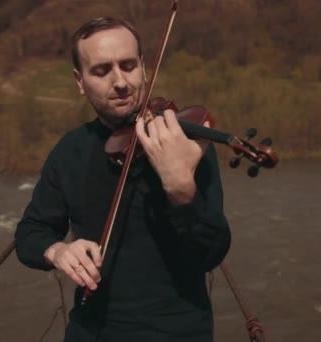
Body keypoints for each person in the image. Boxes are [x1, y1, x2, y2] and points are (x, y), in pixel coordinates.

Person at [15, 17, 231, 342]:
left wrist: (181, 189)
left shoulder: (183, 141)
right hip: (92, 332)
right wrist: (57, 251)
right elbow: (30, 233)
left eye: (128, 65)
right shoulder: (70, 151)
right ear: (79, 81)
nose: (120, 82)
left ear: (145, 67)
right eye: (102, 71)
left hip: (178, 333)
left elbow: (211, 254)